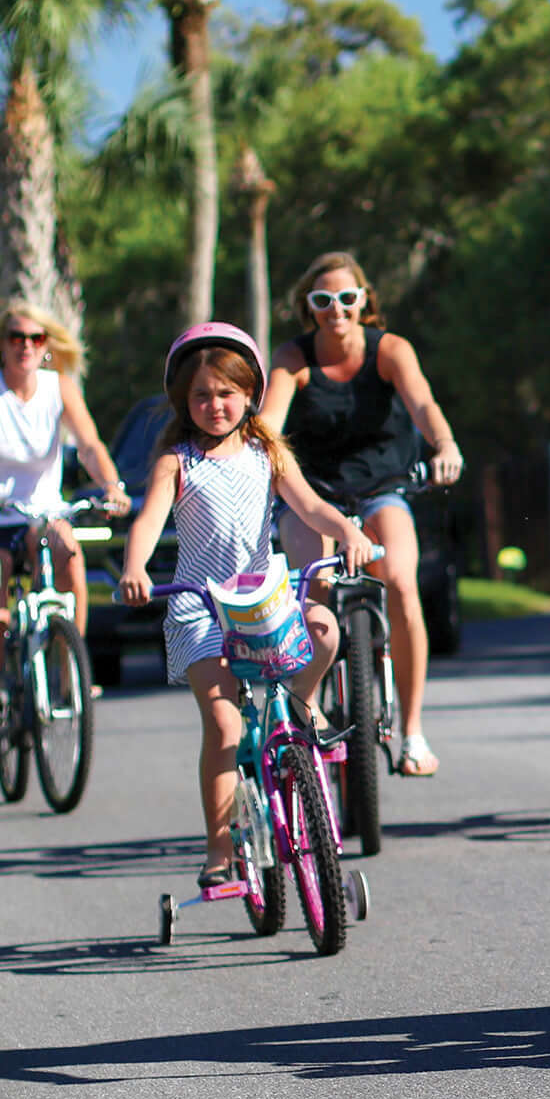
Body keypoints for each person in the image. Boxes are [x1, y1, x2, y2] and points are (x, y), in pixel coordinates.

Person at [111, 323, 373, 900]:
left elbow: (308, 505)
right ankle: (218, 847)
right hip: (200, 608)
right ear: (184, 400)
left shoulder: (267, 452)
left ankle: (302, 706)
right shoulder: (175, 462)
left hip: (260, 597)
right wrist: (135, 568)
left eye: (226, 393)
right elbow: (149, 521)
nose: (214, 406)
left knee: (324, 630)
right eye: (201, 395)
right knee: (225, 724)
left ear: (250, 392)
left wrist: (349, 532)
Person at [264, 251, 464, 777]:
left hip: (382, 489)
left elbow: (423, 405)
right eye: (323, 300)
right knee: (315, 588)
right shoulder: (292, 358)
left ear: (364, 302)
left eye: (347, 298)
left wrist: (443, 445)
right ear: (309, 307)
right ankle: (308, 706)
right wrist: (262, 465)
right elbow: (270, 423)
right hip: (313, 496)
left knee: (399, 582)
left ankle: (413, 731)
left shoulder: (390, 350)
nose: (337, 310)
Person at [0, 301, 128, 768]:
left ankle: (71, 674)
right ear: (2, 346)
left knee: (69, 555)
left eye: (36, 338)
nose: (26, 346)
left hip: (39, 512)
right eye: (16, 338)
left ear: (47, 346)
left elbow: (88, 444)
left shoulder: (58, 388)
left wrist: (110, 485)